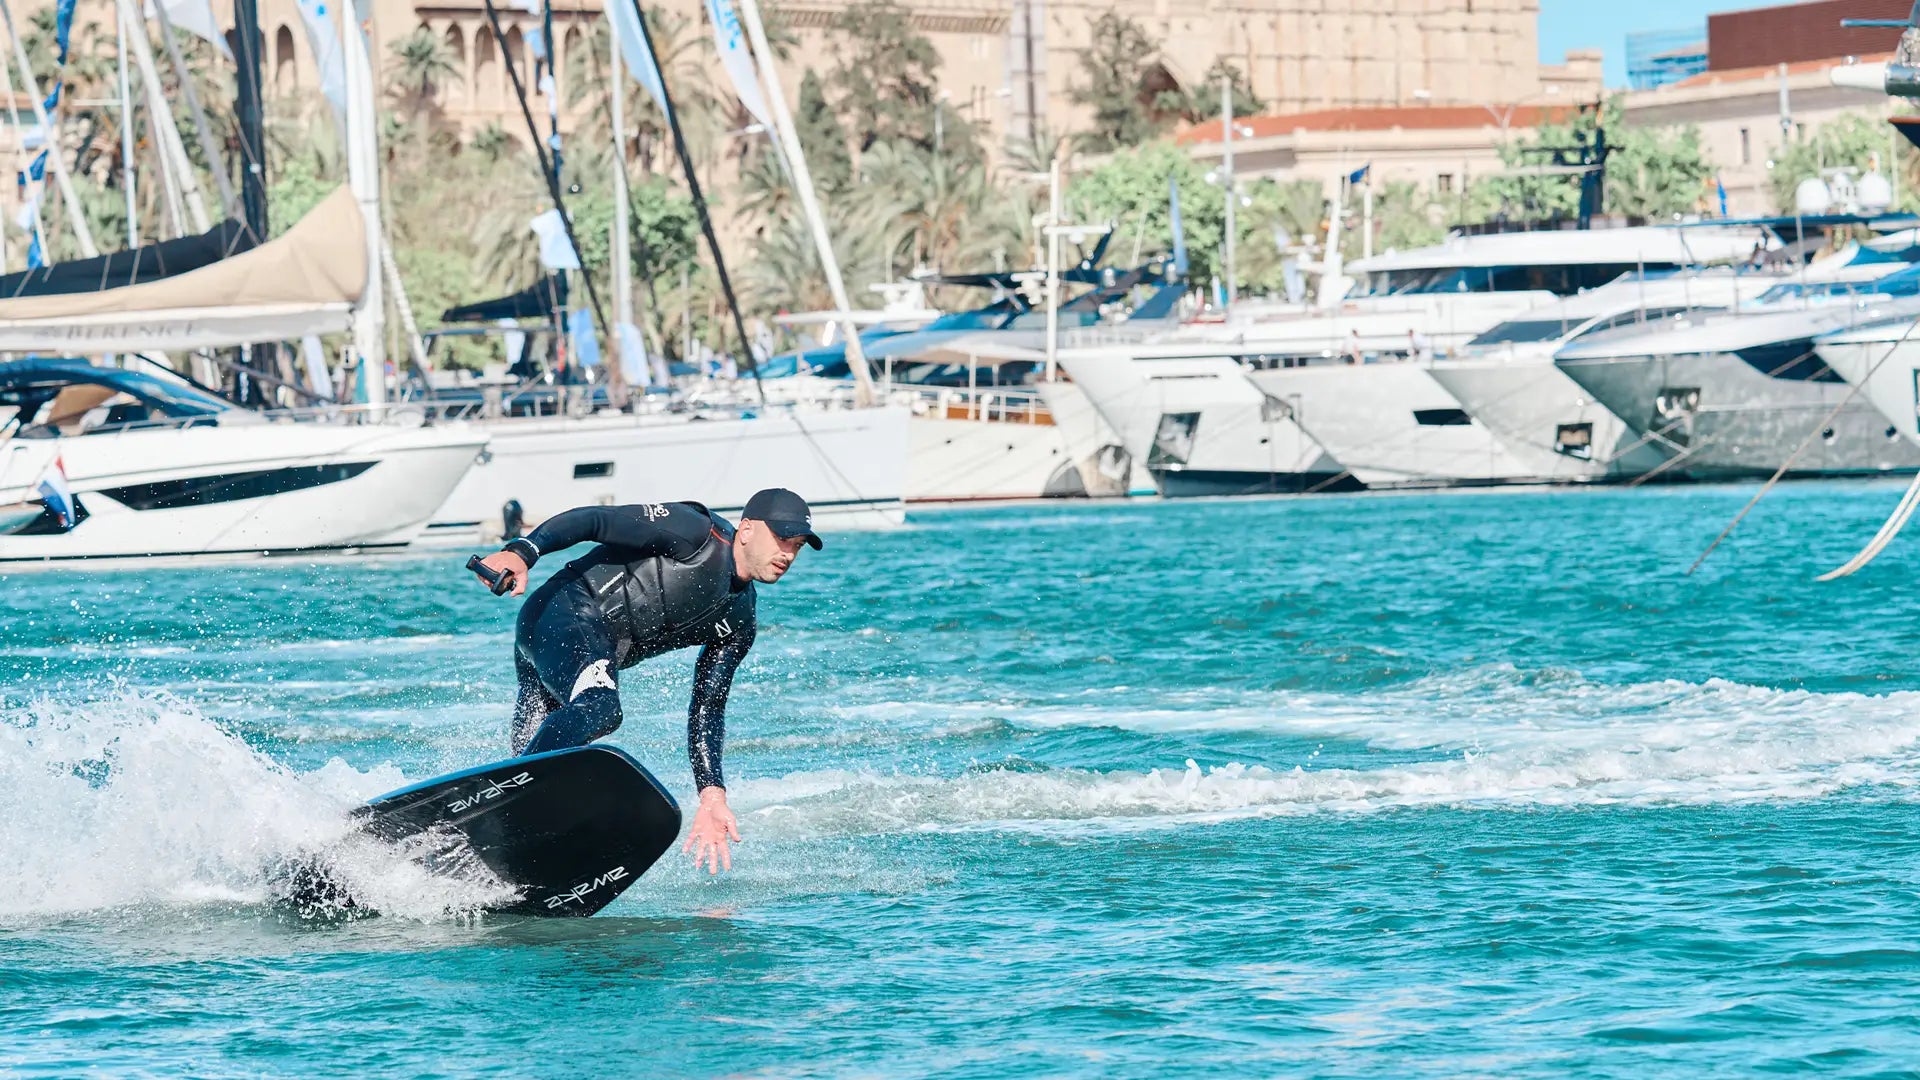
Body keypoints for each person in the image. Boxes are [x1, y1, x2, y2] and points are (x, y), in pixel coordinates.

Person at [471, 487, 821, 875]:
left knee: (536, 759)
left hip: (565, 661)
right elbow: (595, 520)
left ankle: (492, 848)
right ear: (748, 529)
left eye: (799, 545)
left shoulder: (739, 622)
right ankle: (513, 814)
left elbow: (708, 707)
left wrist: (711, 794)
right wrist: (523, 552)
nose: (788, 553)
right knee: (601, 706)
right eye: (783, 539)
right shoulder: (694, 532)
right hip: (564, 613)